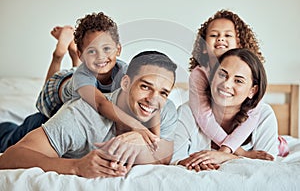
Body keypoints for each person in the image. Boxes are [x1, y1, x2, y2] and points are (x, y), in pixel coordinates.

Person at [0, 50, 178, 178]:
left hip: (59, 125)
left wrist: (143, 144)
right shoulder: (82, 113)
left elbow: (165, 156)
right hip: (38, 123)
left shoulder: (165, 109)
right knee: (8, 136)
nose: (153, 100)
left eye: (163, 92)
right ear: (125, 83)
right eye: (145, 86)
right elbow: (9, 158)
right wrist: (76, 166)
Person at [0, 12, 160, 152]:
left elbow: (149, 98)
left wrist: (154, 138)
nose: (101, 56)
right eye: (92, 51)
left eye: (106, 49)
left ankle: (73, 55)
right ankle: (59, 54)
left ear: (118, 49)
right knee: (9, 140)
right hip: (57, 94)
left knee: (85, 75)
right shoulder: (81, 77)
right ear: (83, 53)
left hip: (84, 84)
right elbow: (100, 104)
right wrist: (135, 125)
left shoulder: (125, 71)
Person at [188, 9, 288, 157]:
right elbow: (204, 116)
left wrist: (226, 151)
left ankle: (279, 143)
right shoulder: (199, 74)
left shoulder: (253, 72)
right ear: (203, 46)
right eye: (214, 35)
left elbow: (253, 115)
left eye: (227, 35)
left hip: (239, 135)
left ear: (239, 43)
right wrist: (240, 153)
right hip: (221, 135)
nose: (220, 39)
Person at [172, 48, 279, 172]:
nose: (226, 84)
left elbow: (267, 167)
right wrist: (194, 163)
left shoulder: (264, 115)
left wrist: (224, 157)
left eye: (238, 81)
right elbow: (176, 159)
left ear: (252, 90)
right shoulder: (186, 112)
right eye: (222, 75)